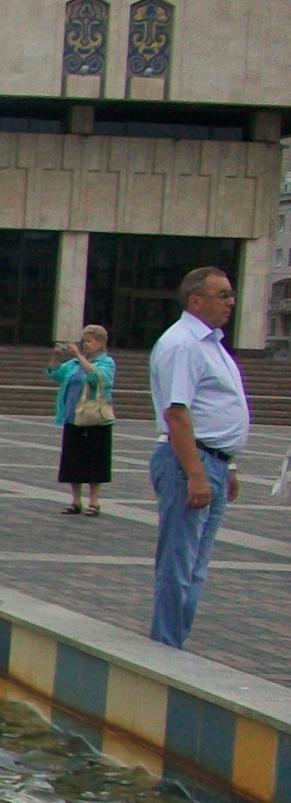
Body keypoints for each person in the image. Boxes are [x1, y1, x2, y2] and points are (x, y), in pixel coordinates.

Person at [145, 268, 248, 649]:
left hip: (211, 461)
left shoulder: (211, 343)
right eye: (223, 295)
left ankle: (175, 641)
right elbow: (177, 413)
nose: (231, 302)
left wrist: (227, 463)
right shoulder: (182, 344)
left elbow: (211, 409)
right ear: (196, 300)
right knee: (179, 562)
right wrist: (196, 474)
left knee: (195, 565)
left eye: (231, 294)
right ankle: (166, 645)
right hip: (188, 462)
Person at [49, 324, 116, 515]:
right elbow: (56, 373)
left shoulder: (106, 362)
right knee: (73, 460)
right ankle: (76, 500)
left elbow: (96, 377)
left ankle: (94, 502)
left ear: (101, 342)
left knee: (95, 460)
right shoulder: (74, 363)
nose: (86, 345)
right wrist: (56, 357)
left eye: (90, 341)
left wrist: (79, 356)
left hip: (95, 418)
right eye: (84, 341)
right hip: (73, 416)